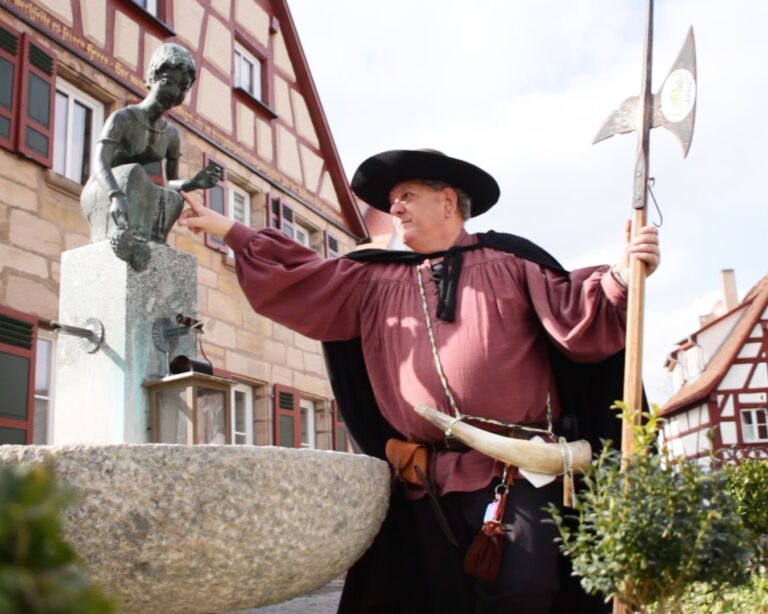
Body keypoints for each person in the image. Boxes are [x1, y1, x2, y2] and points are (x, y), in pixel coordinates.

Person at [178, 149, 660, 613]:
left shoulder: (513, 261)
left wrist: (623, 273)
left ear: (448, 201)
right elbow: (303, 277)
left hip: (518, 466)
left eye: (406, 195)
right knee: (441, 596)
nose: (395, 207)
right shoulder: (369, 278)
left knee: (525, 588)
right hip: (427, 476)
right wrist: (230, 229)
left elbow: (581, 314)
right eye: (393, 200)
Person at [81, 43, 223, 268]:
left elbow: (171, 185)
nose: (176, 93)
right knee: (135, 172)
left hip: (135, 194)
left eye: (183, 87)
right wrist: (115, 196)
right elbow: (100, 161)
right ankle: (129, 240)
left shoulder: (171, 134)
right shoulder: (124, 118)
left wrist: (194, 182)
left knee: (172, 198)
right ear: (153, 78)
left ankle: (149, 243)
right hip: (105, 192)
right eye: (169, 83)